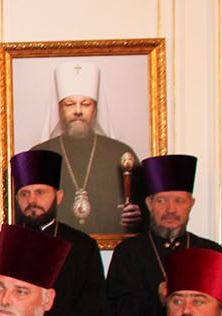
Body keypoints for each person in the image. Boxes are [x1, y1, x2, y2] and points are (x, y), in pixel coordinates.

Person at [103, 154, 222, 316]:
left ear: (191, 204)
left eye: (179, 201)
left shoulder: (212, 251)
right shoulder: (128, 253)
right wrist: (158, 299)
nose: (170, 209)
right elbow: (116, 312)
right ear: (149, 203)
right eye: (162, 200)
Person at [0, 150, 106, 316]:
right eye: (24, 194)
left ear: (59, 196)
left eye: (40, 192)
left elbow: (93, 310)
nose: (32, 200)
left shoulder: (82, 247)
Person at [29, 61, 145, 236]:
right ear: (60, 109)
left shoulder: (120, 153)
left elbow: (146, 210)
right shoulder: (40, 155)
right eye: (69, 104)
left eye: (85, 104)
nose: (78, 111)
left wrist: (137, 215)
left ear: (95, 109)